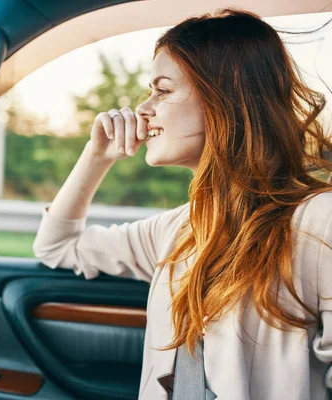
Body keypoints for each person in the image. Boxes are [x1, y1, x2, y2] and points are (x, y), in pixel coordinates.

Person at [32, 8, 332, 400]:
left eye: (163, 89)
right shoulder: (178, 230)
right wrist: (96, 155)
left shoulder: (316, 223)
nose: (143, 109)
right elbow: (55, 247)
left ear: (225, 96)